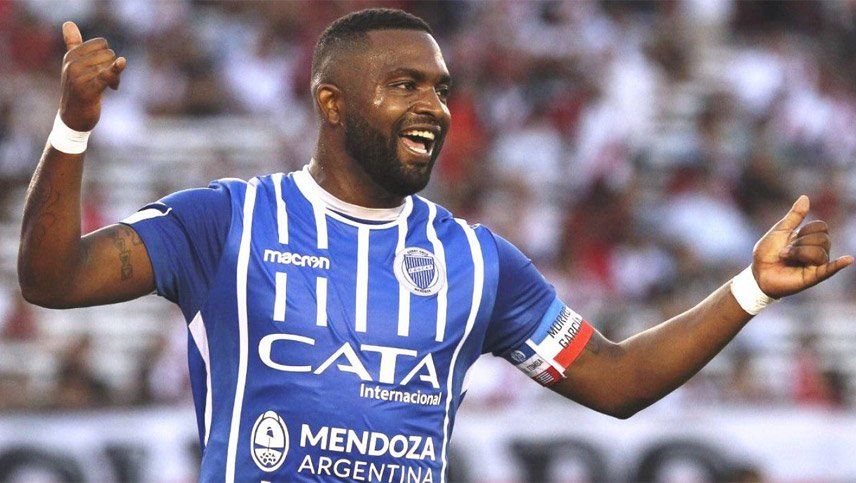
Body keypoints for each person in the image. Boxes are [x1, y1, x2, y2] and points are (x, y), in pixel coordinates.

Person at [16, 8, 852, 483]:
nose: (434, 107)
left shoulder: (479, 263)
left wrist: (750, 288)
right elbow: (52, 278)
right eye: (405, 84)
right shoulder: (227, 221)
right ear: (332, 104)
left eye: (443, 89)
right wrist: (74, 128)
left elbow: (620, 380)